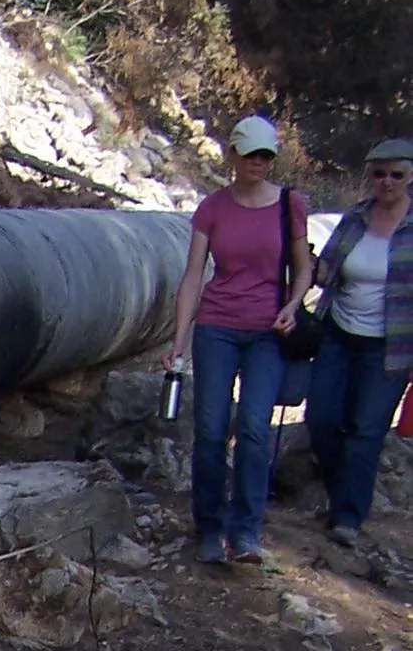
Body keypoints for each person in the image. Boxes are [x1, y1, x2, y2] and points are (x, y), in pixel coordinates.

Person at [166, 114, 313, 565]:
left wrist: (293, 303)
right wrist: (178, 341)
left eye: (267, 154)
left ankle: (245, 531)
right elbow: (194, 276)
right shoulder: (213, 208)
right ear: (233, 154)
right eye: (251, 154)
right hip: (217, 326)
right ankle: (209, 526)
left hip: (267, 330)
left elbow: (303, 265)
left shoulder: (291, 205)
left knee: (253, 428)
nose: (260, 162)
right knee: (211, 428)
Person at [306, 138, 413, 546]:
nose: (387, 182)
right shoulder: (355, 218)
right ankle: (339, 493)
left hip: (390, 345)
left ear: (410, 177)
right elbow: (327, 268)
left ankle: (347, 517)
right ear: (369, 176)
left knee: (367, 429)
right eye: (380, 173)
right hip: (338, 331)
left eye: (396, 175)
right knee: (322, 418)